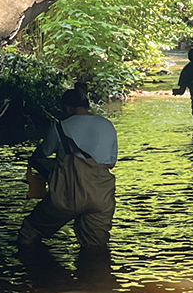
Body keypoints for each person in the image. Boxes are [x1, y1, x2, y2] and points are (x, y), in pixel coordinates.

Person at [19, 88, 118, 247]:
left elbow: (41, 154)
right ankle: (96, 264)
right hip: (101, 195)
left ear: (66, 107)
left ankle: (31, 261)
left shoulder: (60, 127)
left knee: (30, 232)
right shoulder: (107, 125)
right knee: (95, 247)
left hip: (67, 194)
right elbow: (111, 164)